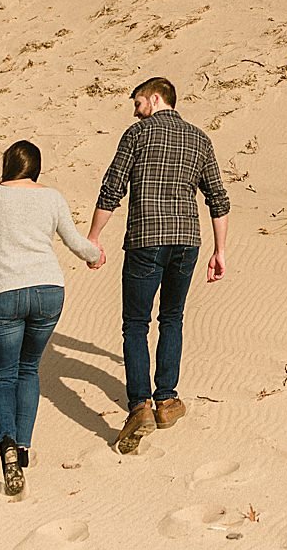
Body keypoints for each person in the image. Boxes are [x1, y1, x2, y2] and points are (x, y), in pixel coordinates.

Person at [0, 138, 102, 497]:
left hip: (4, 293)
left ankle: (7, 445)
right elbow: (75, 241)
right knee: (29, 369)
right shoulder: (52, 197)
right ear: (37, 167)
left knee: (4, 375)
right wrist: (94, 255)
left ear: (8, 165)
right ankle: (23, 447)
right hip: (48, 291)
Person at [88, 77, 231, 454]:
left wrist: (93, 236)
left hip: (146, 238)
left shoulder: (137, 135)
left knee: (136, 323)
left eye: (137, 102)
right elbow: (218, 199)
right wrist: (220, 250)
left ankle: (140, 405)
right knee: (172, 318)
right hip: (187, 242)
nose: (134, 110)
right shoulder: (200, 138)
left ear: (154, 98)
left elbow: (112, 187)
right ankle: (167, 399)